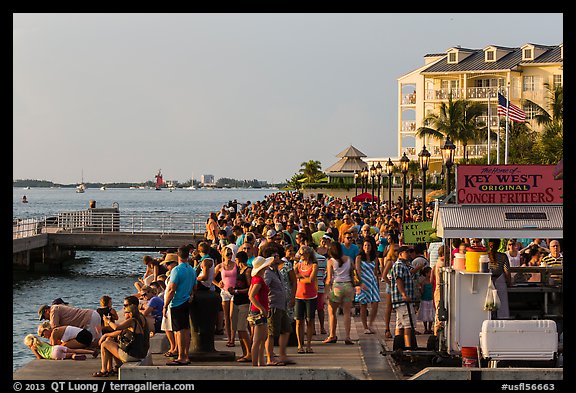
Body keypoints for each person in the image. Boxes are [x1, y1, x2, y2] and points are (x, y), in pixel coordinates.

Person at [93, 304, 150, 377]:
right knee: (109, 340)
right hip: (137, 354)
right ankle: (110, 368)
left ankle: (104, 370)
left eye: (125, 312)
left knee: (105, 344)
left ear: (130, 313)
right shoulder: (136, 322)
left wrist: (108, 321)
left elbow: (116, 328)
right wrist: (106, 335)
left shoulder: (132, 321)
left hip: (132, 356)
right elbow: (118, 331)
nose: (123, 314)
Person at [261, 245, 295, 366]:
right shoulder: (267, 273)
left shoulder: (277, 271)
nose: (278, 258)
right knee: (271, 333)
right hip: (273, 305)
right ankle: (270, 357)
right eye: (275, 256)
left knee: (286, 330)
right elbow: (263, 287)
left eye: (278, 255)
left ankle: (282, 355)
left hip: (281, 305)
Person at [163, 248, 197, 366]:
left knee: (179, 331)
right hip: (187, 301)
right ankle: (185, 355)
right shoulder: (192, 270)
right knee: (185, 330)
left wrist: (165, 304)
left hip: (177, 302)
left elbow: (172, 289)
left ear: (178, 256)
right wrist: (191, 295)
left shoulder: (177, 270)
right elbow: (194, 287)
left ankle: (181, 357)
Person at [323, 239, 356, 345]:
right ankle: (347, 336)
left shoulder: (331, 261)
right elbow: (353, 272)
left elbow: (329, 279)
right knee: (347, 313)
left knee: (332, 312)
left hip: (337, 286)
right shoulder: (349, 259)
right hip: (348, 286)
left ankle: (332, 335)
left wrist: (326, 292)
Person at [248, 256, 273, 367]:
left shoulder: (256, 279)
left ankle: (260, 362)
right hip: (259, 312)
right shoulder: (258, 280)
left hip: (259, 310)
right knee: (257, 339)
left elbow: (250, 294)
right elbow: (251, 296)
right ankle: (255, 363)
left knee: (262, 338)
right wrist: (261, 308)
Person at [293, 245, 318, 354]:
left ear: (308, 254)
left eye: (303, 254)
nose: (301, 256)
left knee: (310, 321)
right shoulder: (298, 265)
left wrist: (299, 277)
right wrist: (301, 277)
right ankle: (300, 344)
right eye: (300, 254)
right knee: (299, 321)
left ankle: (308, 344)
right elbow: (294, 277)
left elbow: (311, 280)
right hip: (299, 296)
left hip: (311, 296)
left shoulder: (314, 265)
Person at [390, 246, 416, 349]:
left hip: (402, 300)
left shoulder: (405, 265)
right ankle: (408, 347)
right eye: (406, 252)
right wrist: (404, 295)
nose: (409, 254)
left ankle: (398, 346)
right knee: (408, 323)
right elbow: (399, 280)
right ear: (400, 254)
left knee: (400, 324)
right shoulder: (399, 265)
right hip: (402, 300)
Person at [38, 303, 102, 345]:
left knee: (94, 341)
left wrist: (52, 346)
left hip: (89, 318)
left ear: (46, 311)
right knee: (97, 338)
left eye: (44, 317)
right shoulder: (57, 307)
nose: (45, 319)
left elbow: (55, 329)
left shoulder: (53, 310)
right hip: (92, 315)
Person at [213, 245, 238, 347]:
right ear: (223, 255)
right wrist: (218, 284)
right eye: (227, 254)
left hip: (234, 291)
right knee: (226, 316)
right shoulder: (220, 266)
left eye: (230, 254)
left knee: (232, 316)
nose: (229, 256)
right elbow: (212, 278)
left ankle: (232, 338)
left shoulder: (236, 265)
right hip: (224, 292)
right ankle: (229, 338)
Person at [354, 239, 380, 334]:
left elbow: (375, 272)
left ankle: (371, 324)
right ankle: (365, 326)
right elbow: (357, 271)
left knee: (375, 303)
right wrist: (360, 283)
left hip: (372, 282)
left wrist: (377, 283)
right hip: (363, 282)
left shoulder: (374, 258)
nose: (367, 248)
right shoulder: (359, 257)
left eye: (368, 245)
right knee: (363, 305)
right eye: (365, 245)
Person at [231, 250, 253, 363]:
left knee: (242, 328)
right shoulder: (239, 270)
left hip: (244, 302)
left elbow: (250, 288)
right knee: (238, 329)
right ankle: (245, 353)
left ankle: (249, 353)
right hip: (236, 301)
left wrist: (237, 291)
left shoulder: (248, 271)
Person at [158, 253, 179, 358]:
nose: (167, 265)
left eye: (169, 263)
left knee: (172, 327)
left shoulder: (175, 274)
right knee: (167, 326)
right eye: (166, 264)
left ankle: (175, 348)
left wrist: (165, 305)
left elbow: (172, 289)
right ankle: (173, 346)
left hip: (172, 302)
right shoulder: (171, 274)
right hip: (169, 301)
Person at [486, 239, 511, 319]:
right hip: (500, 282)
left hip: (488, 282)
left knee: (488, 305)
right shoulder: (503, 256)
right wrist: (509, 282)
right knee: (502, 307)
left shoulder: (485, 256)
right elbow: (507, 272)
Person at [24, 334, 96, 361]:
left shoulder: (33, 348)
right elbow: (51, 346)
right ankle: (91, 352)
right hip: (57, 348)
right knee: (74, 350)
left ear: (29, 343)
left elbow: (39, 358)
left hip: (54, 354)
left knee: (71, 354)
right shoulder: (43, 342)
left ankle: (74, 356)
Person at [416, 266, 434, 334]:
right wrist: (420, 288)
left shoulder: (432, 281)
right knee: (425, 315)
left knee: (431, 314)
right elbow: (422, 291)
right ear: (426, 274)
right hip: (425, 300)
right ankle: (426, 328)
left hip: (431, 299)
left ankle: (429, 328)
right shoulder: (423, 282)